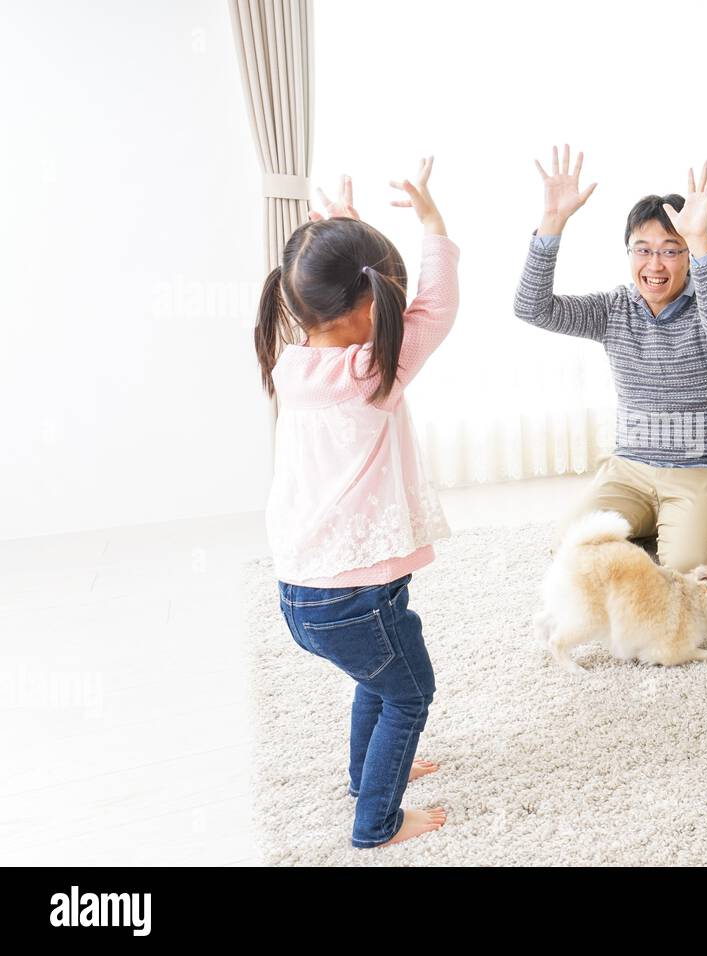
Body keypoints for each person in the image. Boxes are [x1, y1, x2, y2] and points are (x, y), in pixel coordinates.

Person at [257, 160, 456, 848]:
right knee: (409, 690)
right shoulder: (372, 370)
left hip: (303, 591)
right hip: (354, 595)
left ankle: (365, 775)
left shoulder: (293, 362)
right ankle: (376, 822)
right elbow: (440, 309)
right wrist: (432, 225)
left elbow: (333, 289)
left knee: (377, 673)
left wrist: (336, 233)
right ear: (371, 306)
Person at [514, 146, 707, 572]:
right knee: (573, 547)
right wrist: (551, 225)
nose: (655, 264)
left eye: (671, 250)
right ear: (628, 253)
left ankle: (689, 526)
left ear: (689, 258)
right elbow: (533, 308)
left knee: (692, 572)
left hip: (701, 468)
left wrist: (702, 243)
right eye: (643, 249)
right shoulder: (614, 308)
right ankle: (656, 523)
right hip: (630, 471)